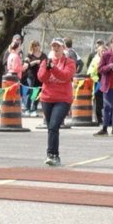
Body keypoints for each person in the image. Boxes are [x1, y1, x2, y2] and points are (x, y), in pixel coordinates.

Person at [37, 37, 77, 166]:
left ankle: (52, 154)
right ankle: (54, 154)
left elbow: (65, 76)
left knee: (54, 125)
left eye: (58, 46)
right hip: (47, 98)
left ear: (63, 48)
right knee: (51, 128)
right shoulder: (45, 61)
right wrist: (48, 68)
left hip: (63, 99)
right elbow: (41, 78)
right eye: (53, 46)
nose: (55, 48)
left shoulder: (69, 62)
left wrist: (53, 68)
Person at [22, 40, 47, 117]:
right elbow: (26, 65)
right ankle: (27, 109)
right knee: (30, 91)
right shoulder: (29, 55)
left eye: (37, 45)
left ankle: (34, 109)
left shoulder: (43, 55)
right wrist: (35, 62)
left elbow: (47, 63)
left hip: (40, 76)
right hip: (31, 75)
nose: (36, 47)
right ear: (32, 47)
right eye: (34, 46)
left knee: (37, 92)